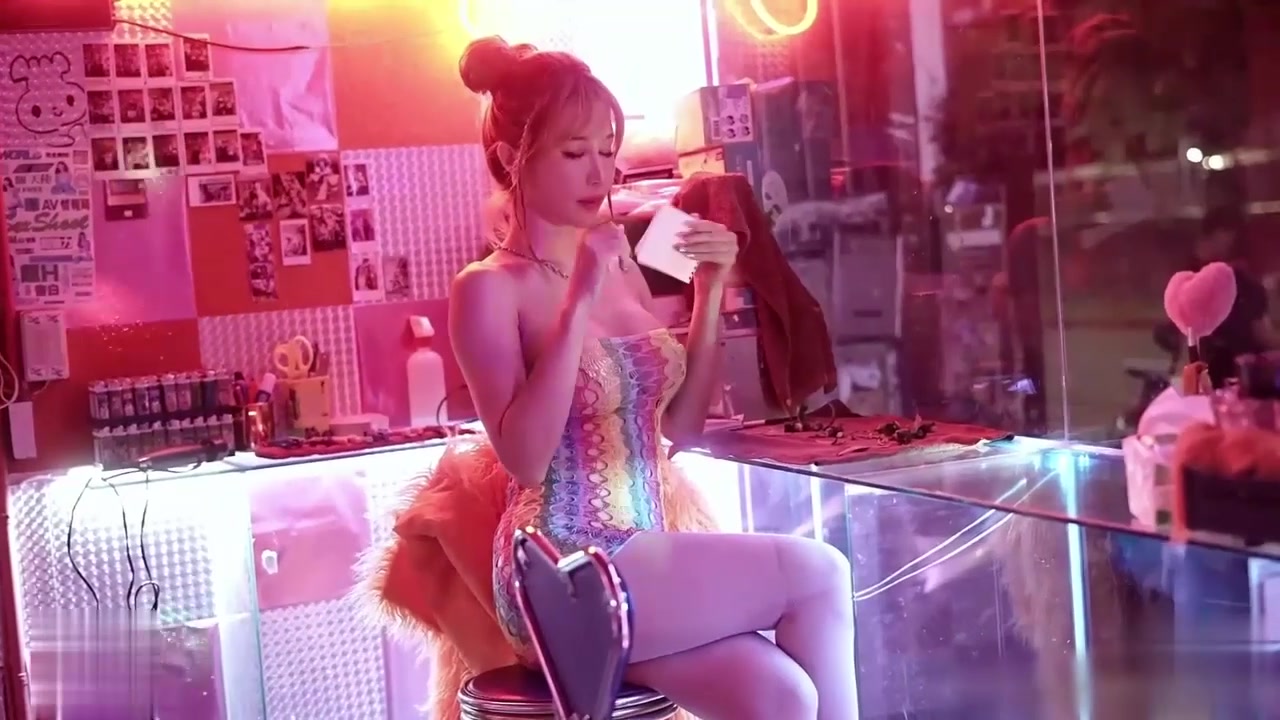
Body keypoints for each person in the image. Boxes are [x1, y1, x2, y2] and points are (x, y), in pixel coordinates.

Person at [445, 37, 856, 719]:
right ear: (513, 158)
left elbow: (681, 429)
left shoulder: (624, 264)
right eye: (574, 153)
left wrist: (710, 289)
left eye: (608, 150)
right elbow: (525, 458)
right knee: (821, 573)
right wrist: (578, 299)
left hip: (644, 548)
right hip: (562, 567)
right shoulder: (487, 288)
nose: (599, 172)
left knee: (783, 697)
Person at [1191, 208, 1276, 387]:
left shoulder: (1200, 281)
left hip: (1216, 376)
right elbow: (1262, 334)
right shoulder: (1243, 283)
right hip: (1241, 377)